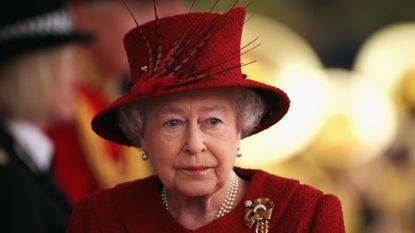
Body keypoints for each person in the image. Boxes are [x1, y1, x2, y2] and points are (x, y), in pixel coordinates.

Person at [66, 2, 345, 232]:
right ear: (142, 136)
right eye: (172, 123)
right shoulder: (98, 219)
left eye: (213, 121)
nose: (194, 144)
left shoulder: (305, 215)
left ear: (240, 128)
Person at [47, 0, 185, 204]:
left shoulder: (109, 94)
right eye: (143, 9)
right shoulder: (61, 104)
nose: (159, 25)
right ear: (84, 17)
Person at [0, 0, 90, 232]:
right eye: (66, 64)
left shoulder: (21, 156)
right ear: (34, 73)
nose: (77, 78)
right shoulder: (9, 180)